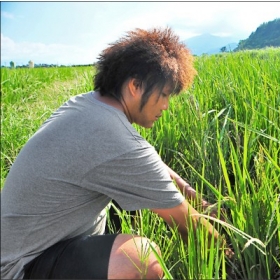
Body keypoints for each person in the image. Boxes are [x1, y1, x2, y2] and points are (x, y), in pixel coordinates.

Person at [1, 27, 230, 279]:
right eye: (164, 95)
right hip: (20, 267)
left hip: (31, 243)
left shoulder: (89, 105)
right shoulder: (113, 139)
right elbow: (189, 225)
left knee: (138, 196)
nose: (166, 106)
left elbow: (148, 164)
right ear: (135, 85)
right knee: (142, 259)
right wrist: (234, 255)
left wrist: (195, 198)